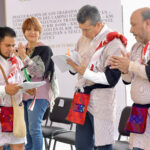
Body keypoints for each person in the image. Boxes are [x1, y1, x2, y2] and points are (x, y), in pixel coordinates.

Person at [66, 5, 127, 150]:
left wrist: (84, 71)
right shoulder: (82, 39)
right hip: (81, 95)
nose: (83, 33)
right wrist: (69, 64)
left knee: (103, 144)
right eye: (80, 28)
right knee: (81, 143)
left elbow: (111, 79)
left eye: (86, 29)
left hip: (101, 99)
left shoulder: (114, 42)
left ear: (98, 24)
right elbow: (75, 65)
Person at [109, 7, 150, 150]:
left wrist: (130, 65)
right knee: (136, 147)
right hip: (138, 110)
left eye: (133, 24)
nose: (131, 30)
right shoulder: (135, 48)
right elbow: (128, 80)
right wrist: (124, 69)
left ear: (148, 23)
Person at [16, 17, 58, 150]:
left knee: (34, 129)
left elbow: (39, 72)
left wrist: (23, 57)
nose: (32, 32)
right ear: (24, 32)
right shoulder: (22, 49)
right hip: (24, 94)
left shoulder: (45, 49)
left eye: (35, 29)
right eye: (28, 29)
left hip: (39, 95)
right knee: (27, 132)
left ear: (39, 32)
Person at [0, 27, 35, 150]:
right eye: (7, 45)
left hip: (15, 112)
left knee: (19, 146)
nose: (10, 49)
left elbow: (35, 72)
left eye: (13, 45)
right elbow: (7, 89)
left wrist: (28, 88)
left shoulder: (17, 60)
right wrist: (4, 90)